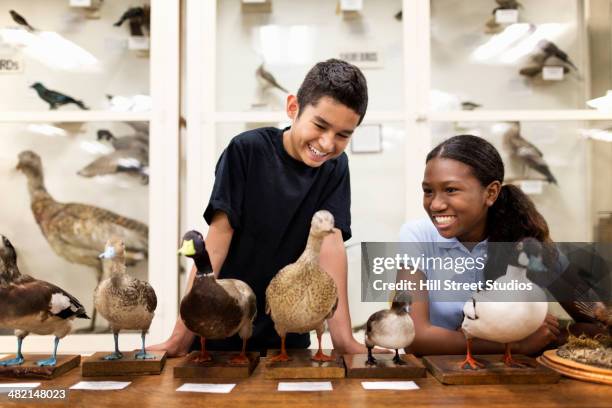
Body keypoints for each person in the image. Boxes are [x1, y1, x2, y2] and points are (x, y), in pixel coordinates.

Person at [149, 59, 370, 357]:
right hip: (223, 329)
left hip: (289, 334)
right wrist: (179, 338)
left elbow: (331, 249)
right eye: (320, 125)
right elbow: (215, 244)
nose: (328, 143)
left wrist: (343, 340)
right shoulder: (246, 150)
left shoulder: (336, 167)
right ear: (293, 107)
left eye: (343, 134)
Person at [398, 134, 562, 356]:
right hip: (438, 379)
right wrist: (516, 345)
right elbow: (415, 337)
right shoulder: (416, 236)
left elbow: (589, 319)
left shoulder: (523, 237)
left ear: (491, 193)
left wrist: (553, 329)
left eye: (451, 190)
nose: (435, 204)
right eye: (428, 191)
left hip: (514, 379)